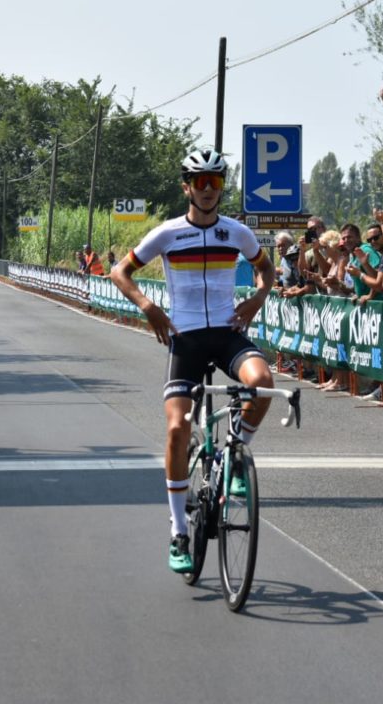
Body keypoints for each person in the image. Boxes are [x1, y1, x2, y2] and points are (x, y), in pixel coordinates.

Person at [110, 149, 275, 574]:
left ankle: (237, 451)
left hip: (226, 333)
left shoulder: (236, 233)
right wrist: (148, 306)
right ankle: (179, 529)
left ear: (221, 188)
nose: (206, 190)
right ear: (186, 187)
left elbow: (267, 271)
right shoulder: (166, 234)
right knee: (178, 427)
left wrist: (256, 298)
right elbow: (119, 272)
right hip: (184, 338)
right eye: (198, 182)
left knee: (262, 383)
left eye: (214, 182)